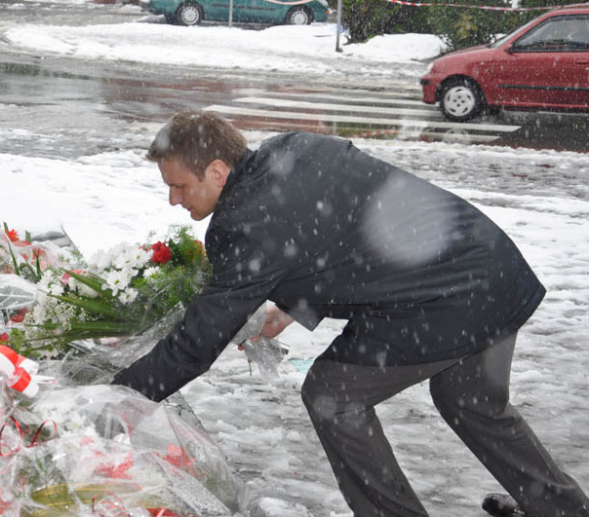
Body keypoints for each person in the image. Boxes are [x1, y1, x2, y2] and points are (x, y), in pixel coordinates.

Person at [112, 110, 589, 516]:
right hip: (490, 268)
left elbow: (196, 344)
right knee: (471, 401)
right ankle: (564, 508)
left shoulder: (246, 221)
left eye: (177, 186)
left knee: (332, 395)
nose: (173, 199)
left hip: (446, 298)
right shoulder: (290, 149)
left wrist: (119, 398)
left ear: (217, 171)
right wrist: (295, 305)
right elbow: (338, 224)